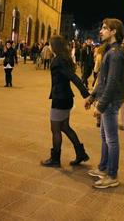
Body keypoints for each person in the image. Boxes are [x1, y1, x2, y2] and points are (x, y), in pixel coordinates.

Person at [84, 18, 124, 189]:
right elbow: (102, 79)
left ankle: (112, 175)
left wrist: (101, 105)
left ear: (114, 31)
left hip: (110, 101)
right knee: (105, 137)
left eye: (104, 28)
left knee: (111, 139)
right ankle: (103, 168)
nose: (101, 31)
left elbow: (112, 82)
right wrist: (92, 97)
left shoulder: (116, 53)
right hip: (105, 100)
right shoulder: (110, 51)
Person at [41, 35, 91, 168]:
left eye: (51, 44)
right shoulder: (63, 58)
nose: (49, 46)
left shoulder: (59, 60)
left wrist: (86, 94)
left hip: (60, 99)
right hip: (65, 97)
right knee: (65, 127)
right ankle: (81, 153)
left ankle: (55, 159)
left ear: (54, 46)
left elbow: (73, 77)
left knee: (55, 129)